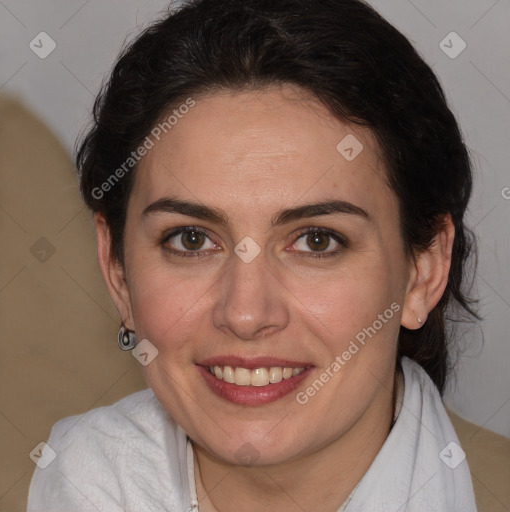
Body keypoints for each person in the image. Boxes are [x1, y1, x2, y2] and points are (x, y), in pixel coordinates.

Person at [27, 0, 480, 510]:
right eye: (191, 240)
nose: (245, 314)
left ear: (423, 270)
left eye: (316, 240)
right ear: (117, 271)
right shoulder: (75, 479)